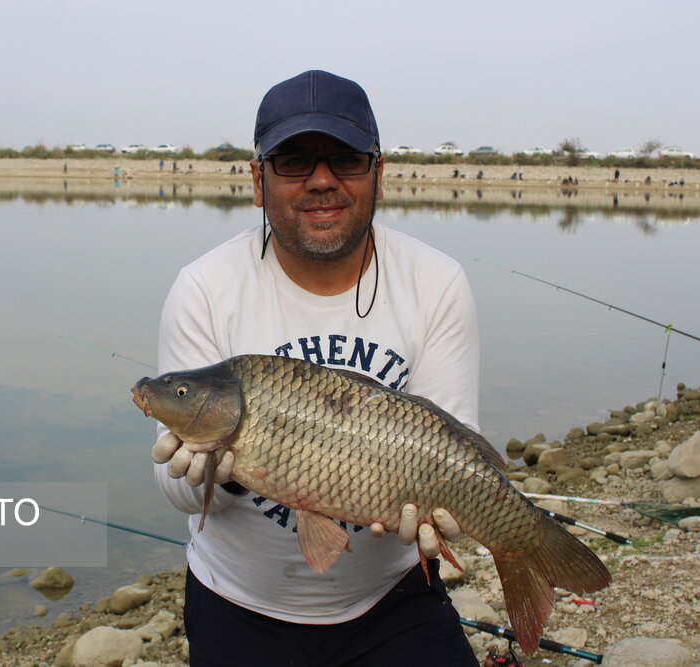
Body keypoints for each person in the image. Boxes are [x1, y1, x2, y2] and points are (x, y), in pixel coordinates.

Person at [151, 69, 480, 666]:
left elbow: (453, 445)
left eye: (346, 160)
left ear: (379, 174)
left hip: (393, 599)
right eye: (294, 161)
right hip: (237, 605)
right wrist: (219, 474)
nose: (322, 181)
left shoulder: (436, 282)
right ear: (258, 180)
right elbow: (175, 489)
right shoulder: (204, 287)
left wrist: (448, 513)